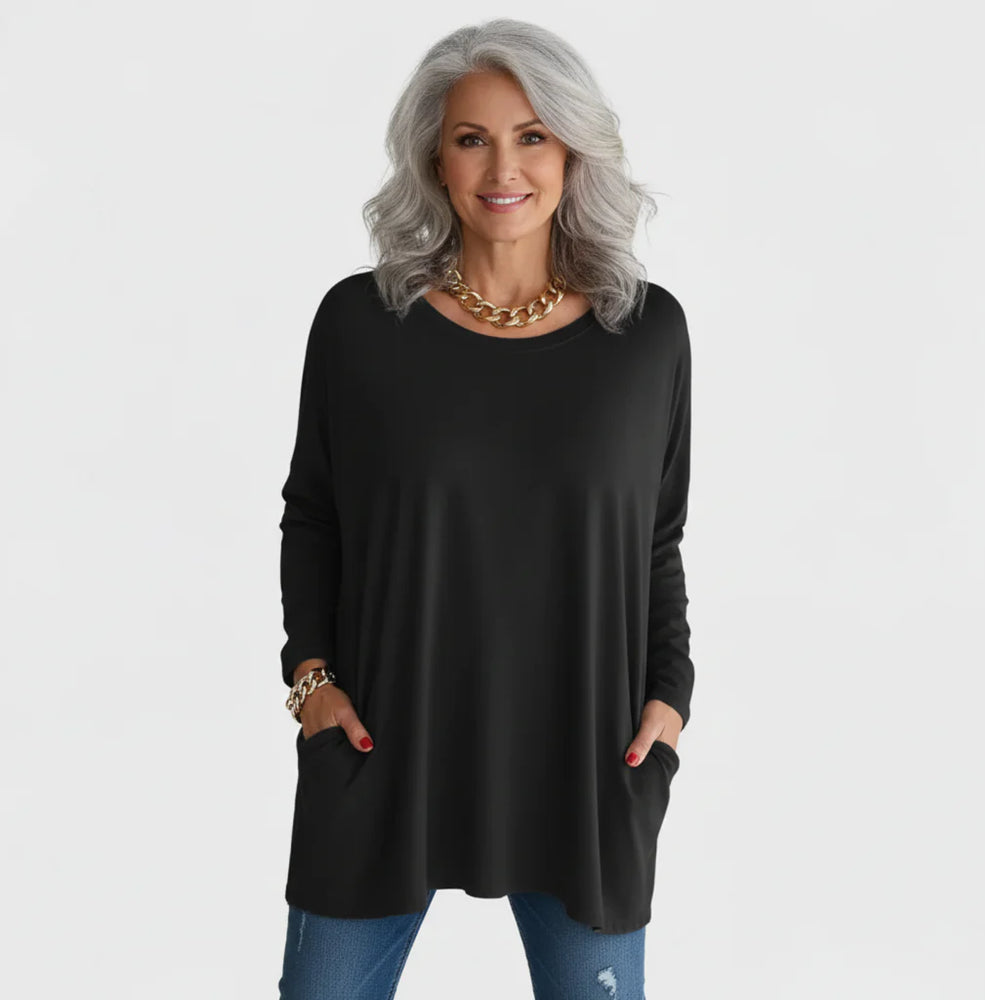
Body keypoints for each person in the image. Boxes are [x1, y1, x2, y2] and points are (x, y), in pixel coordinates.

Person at [276, 18, 695, 1000]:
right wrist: (310, 679)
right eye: (472, 138)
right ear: (435, 158)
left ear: (573, 152)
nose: (503, 168)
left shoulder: (645, 336)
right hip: (380, 759)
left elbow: (657, 539)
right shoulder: (361, 325)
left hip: (585, 764)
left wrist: (670, 699)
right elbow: (314, 514)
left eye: (532, 136)